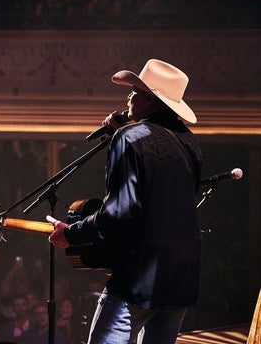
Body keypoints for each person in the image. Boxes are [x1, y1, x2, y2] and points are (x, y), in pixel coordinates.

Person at [47, 58, 202, 344]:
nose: (128, 96)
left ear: (151, 102)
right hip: (180, 279)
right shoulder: (188, 142)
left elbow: (120, 212)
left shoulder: (130, 139)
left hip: (138, 280)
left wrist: (71, 234)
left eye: (135, 92)